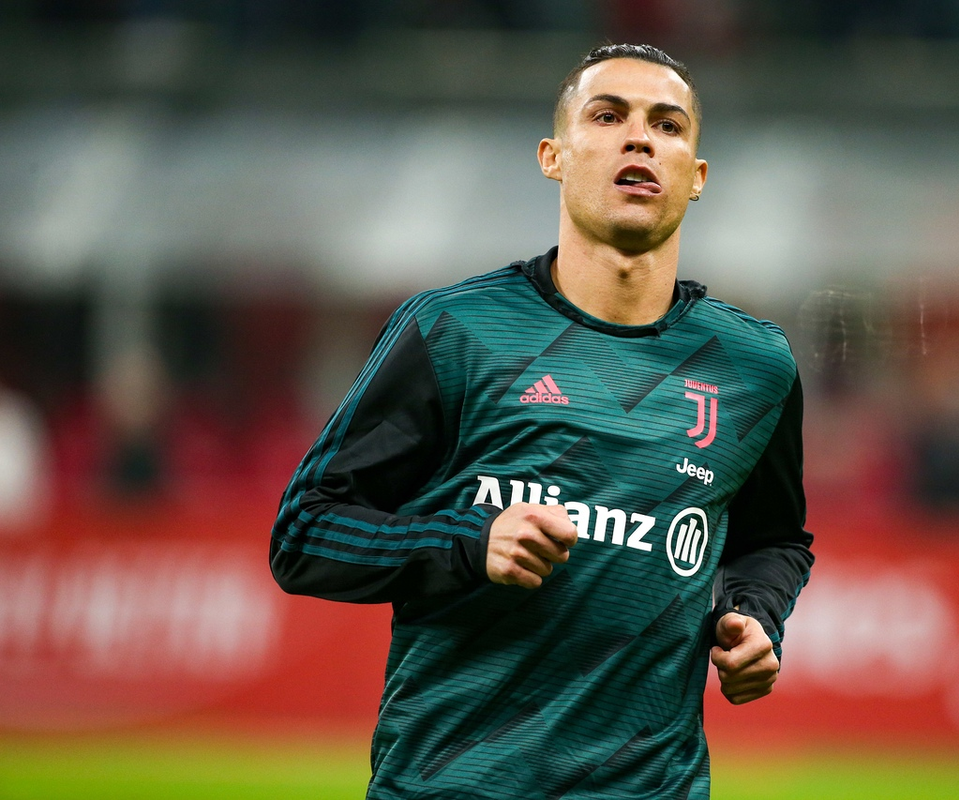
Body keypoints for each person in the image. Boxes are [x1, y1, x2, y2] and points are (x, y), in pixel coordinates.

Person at [270, 43, 814, 799]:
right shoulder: (455, 332)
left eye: (666, 124)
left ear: (696, 176)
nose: (639, 138)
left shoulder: (753, 366)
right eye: (608, 116)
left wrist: (754, 617)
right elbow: (305, 533)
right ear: (553, 157)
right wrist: (466, 544)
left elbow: (772, 539)